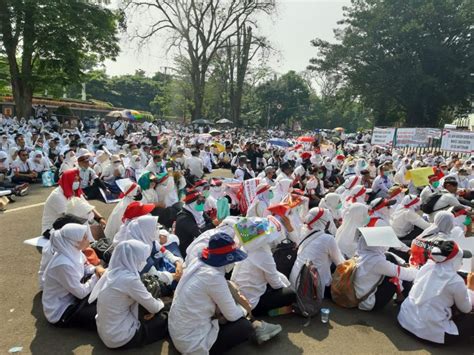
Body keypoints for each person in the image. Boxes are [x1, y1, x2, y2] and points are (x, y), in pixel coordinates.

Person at [169, 233, 281, 355]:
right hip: (193, 345)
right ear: (227, 258)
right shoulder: (213, 277)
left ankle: (256, 325)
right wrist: (245, 309)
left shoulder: (198, 263)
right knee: (243, 326)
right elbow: (232, 315)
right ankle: (255, 325)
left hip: (178, 332)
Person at [89, 240, 169, 349]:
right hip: (120, 337)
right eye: (141, 258)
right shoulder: (129, 280)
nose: (143, 261)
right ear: (133, 258)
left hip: (105, 330)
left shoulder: (111, 271)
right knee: (167, 314)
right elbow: (154, 307)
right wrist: (160, 304)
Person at [398, 240, 474, 344]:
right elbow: (466, 309)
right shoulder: (456, 281)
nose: (462, 262)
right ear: (454, 260)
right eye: (461, 259)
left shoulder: (427, 267)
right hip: (431, 334)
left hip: (405, 321)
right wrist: (470, 288)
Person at [42, 224, 105, 329]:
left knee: (109, 303)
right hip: (62, 310)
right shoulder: (63, 264)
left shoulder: (75, 252)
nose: (88, 239)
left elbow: (86, 267)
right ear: (74, 242)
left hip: (74, 297)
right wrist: (97, 276)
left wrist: (96, 269)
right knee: (108, 315)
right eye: (84, 237)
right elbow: (81, 293)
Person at [231, 217, 296, 316]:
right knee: (290, 294)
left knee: (279, 278)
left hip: (235, 295)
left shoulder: (244, 248)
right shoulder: (264, 255)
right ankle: (267, 312)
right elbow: (276, 284)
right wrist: (286, 284)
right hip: (251, 304)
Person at [353, 231, 418, 311]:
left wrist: (403, 263)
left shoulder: (361, 252)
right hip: (368, 303)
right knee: (394, 278)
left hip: (356, 294)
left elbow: (387, 253)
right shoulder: (377, 261)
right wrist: (417, 269)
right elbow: (405, 274)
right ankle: (404, 298)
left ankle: (401, 295)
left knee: (389, 260)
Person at [289, 208, 344, 298]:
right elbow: (340, 262)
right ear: (325, 222)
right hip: (310, 291)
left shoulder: (303, 230)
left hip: (294, 284)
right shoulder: (328, 238)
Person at [41, 169, 106, 237]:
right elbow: (70, 216)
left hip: (68, 223)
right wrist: (90, 228)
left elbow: (87, 206)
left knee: (93, 231)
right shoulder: (57, 195)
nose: (77, 182)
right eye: (74, 180)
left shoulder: (75, 191)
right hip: (52, 229)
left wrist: (100, 219)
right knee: (88, 234)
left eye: (78, 180)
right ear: (67, 180)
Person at [175, 189, 215, 257]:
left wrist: (213, 224)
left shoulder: (199, 211)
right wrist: (213, 224)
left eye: (203, 201)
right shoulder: (183, 218)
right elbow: (199, 233)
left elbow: (209, 221)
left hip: (199, 243)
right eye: (199, 202)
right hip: (188, 251)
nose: (202, 204)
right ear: (191, 204)